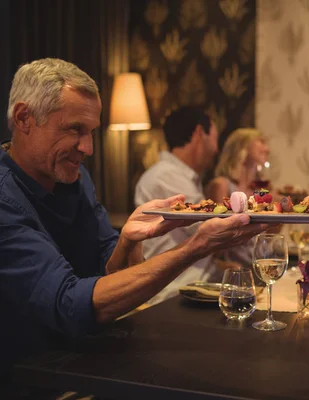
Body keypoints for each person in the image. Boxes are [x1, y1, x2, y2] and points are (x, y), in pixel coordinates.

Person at [0, 58, 267, 374]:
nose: (88, 147)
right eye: (75, 129)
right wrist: (195, 247)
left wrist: (128, 239)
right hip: (32, 375)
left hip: (90, 356)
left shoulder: (76, 178)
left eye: (90, 132)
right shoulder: (6, 199)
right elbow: (70, 303)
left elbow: (110, 273)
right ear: (24, 118)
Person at [134, 106, 222, 305]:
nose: (216, 149)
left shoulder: (181, 177)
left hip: (195, 287)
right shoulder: (165, 176)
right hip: (175, 295)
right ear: (200, 133)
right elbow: (210, 228)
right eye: (215, 138)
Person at [205, 128, 270, 201]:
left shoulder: (260, 188)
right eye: (261, 142)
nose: (267, 149)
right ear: (241, 146)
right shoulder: (221, 185)